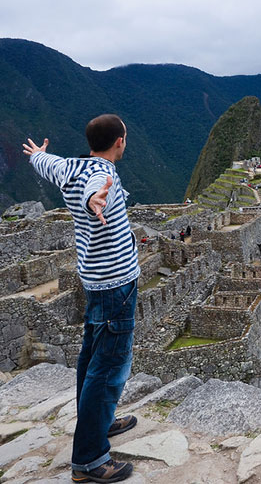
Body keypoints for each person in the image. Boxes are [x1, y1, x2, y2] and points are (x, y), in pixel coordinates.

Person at [23, 114, 139, 483]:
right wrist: (96, 201)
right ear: (119, 141)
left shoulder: (69, 166)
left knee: (91, 360)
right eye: (125, 136)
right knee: (107, 369)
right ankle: (89, 460)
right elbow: (94, 188)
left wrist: (35, 155)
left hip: (95, 283)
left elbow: (48, 163)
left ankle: (99, 423)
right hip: (114, 286)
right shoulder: (98, 175)